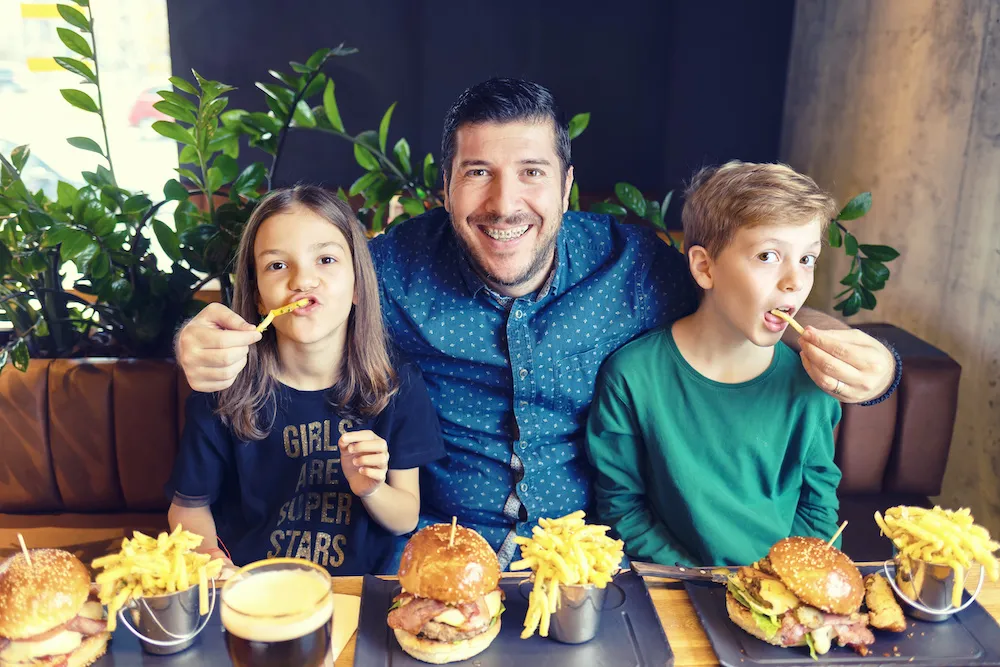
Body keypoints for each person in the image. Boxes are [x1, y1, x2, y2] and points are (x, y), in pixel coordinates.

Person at [172, 79, 899, 569]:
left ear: (566, 185)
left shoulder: (636, 268)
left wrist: (873, 359)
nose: (504, 201)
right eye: (479, 171)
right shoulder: (385, 270)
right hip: (440, 554)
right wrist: (193, 338)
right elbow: (299, 292)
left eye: (531, 171)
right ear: (445, 188)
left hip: (592, 561)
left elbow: (748, 297)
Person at [166, 185, 445, 576]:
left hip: (354, 592)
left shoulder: (397, 385)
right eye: (277, 266)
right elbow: (187, 508)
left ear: (358, 287)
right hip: (252, 589)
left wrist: (371, 489)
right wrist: (214, 564)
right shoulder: (223, 390)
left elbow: (405, 517)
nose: (302, 280)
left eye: (326, 259)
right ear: (260, 298)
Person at [586, 161, 846, 567]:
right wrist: (703, 581)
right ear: (705, 267)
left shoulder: (810, 385)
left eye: (808, 259)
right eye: (769, 255)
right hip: (676, 587)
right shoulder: (633, 376)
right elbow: (623, 509)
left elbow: (817, 510)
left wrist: (776, 584)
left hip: (782, 590)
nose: (795, 281)